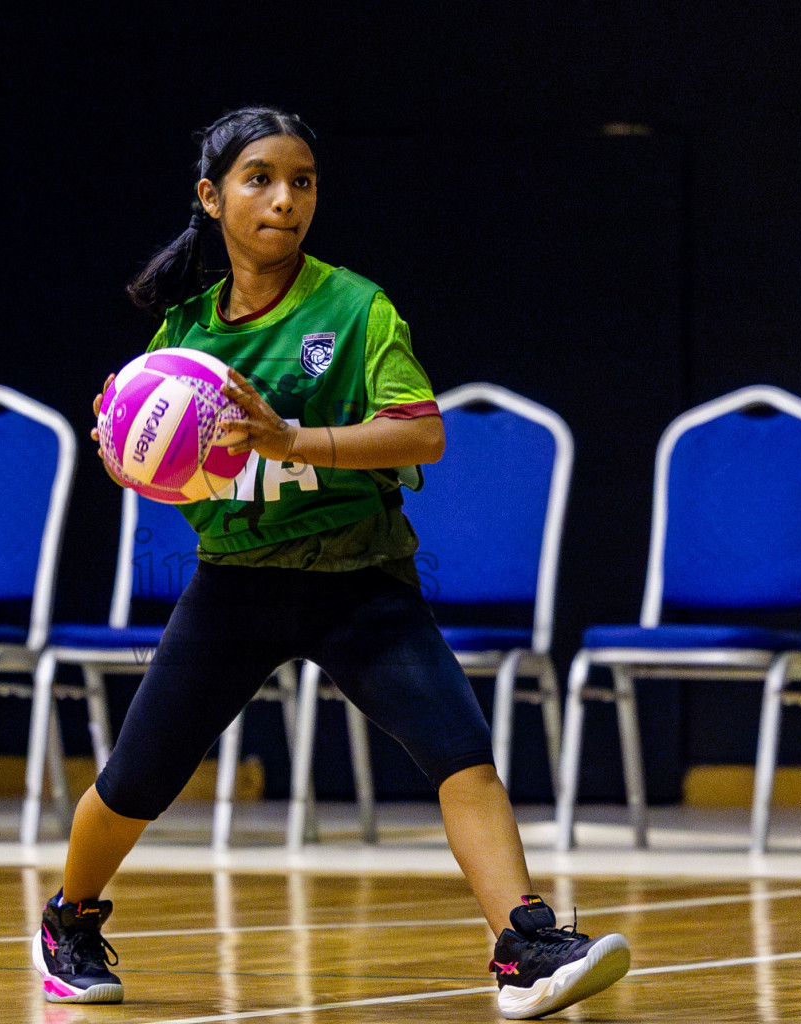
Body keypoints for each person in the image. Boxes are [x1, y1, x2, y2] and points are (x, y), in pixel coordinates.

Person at [32, 106, 630, 1019]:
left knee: (462, 754)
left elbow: (421, 434)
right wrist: (126, 455)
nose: (285, 198)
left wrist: (291, 439)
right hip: (236, 586)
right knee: (137, 779)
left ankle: (524, 945)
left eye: (302, 181)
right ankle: (68, 922)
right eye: (260, 179)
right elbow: (155, 469)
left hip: (360, 580)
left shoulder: (355, 308)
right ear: (212, 197)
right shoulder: (182, 338)